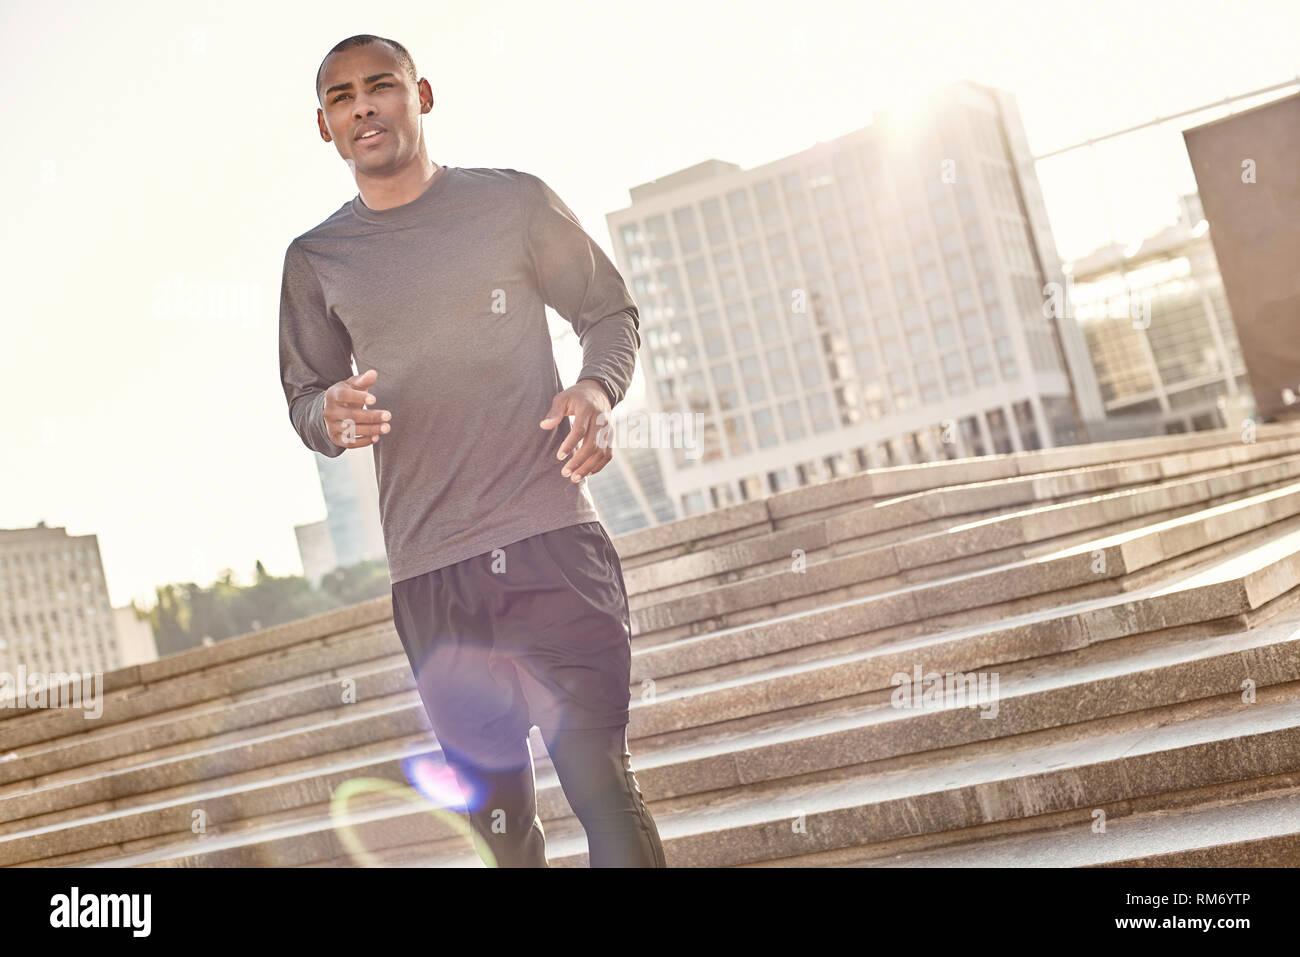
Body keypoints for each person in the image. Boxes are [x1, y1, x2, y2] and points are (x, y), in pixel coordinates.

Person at [278, 33, 666, 868]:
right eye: (343, 99)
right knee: (502, 831)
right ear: (324, 126)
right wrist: (329, 414)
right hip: (432, 575)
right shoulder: (314, 261)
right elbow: (305, 396)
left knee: (603, 791)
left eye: (380, 86)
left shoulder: (514, 203)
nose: (364, 107)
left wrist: (596, 390)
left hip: (551, 541)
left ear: (421, 96)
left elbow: (608, 311)